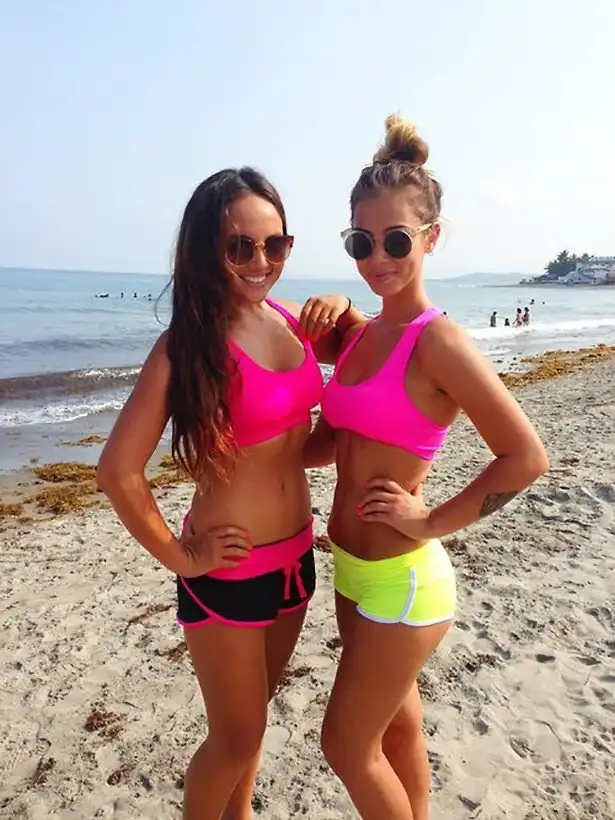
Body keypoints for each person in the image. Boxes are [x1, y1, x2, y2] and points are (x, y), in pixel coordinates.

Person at [97, 167, 362, 820]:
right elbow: (118, 472)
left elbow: (376, 352)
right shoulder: (185, 347)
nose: (260, 261)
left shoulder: (291, 320)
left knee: (255, 719)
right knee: (235, 736)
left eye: (276, 244)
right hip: (228, 571)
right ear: (204, 250)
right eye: (239, 246)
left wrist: (345, 307)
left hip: (296, 558)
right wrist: (180, 556)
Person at [307, 115, 549, 820]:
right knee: (396, 730)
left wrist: (431, 520)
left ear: (431, 237)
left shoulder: (437, 341)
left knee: (344, 748)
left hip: (405, 581)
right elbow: (326, 441)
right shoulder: (360, 336)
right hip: (350, 570)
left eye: (395, 240)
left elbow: (525, 457)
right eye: (360, 242)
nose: (376, 257)